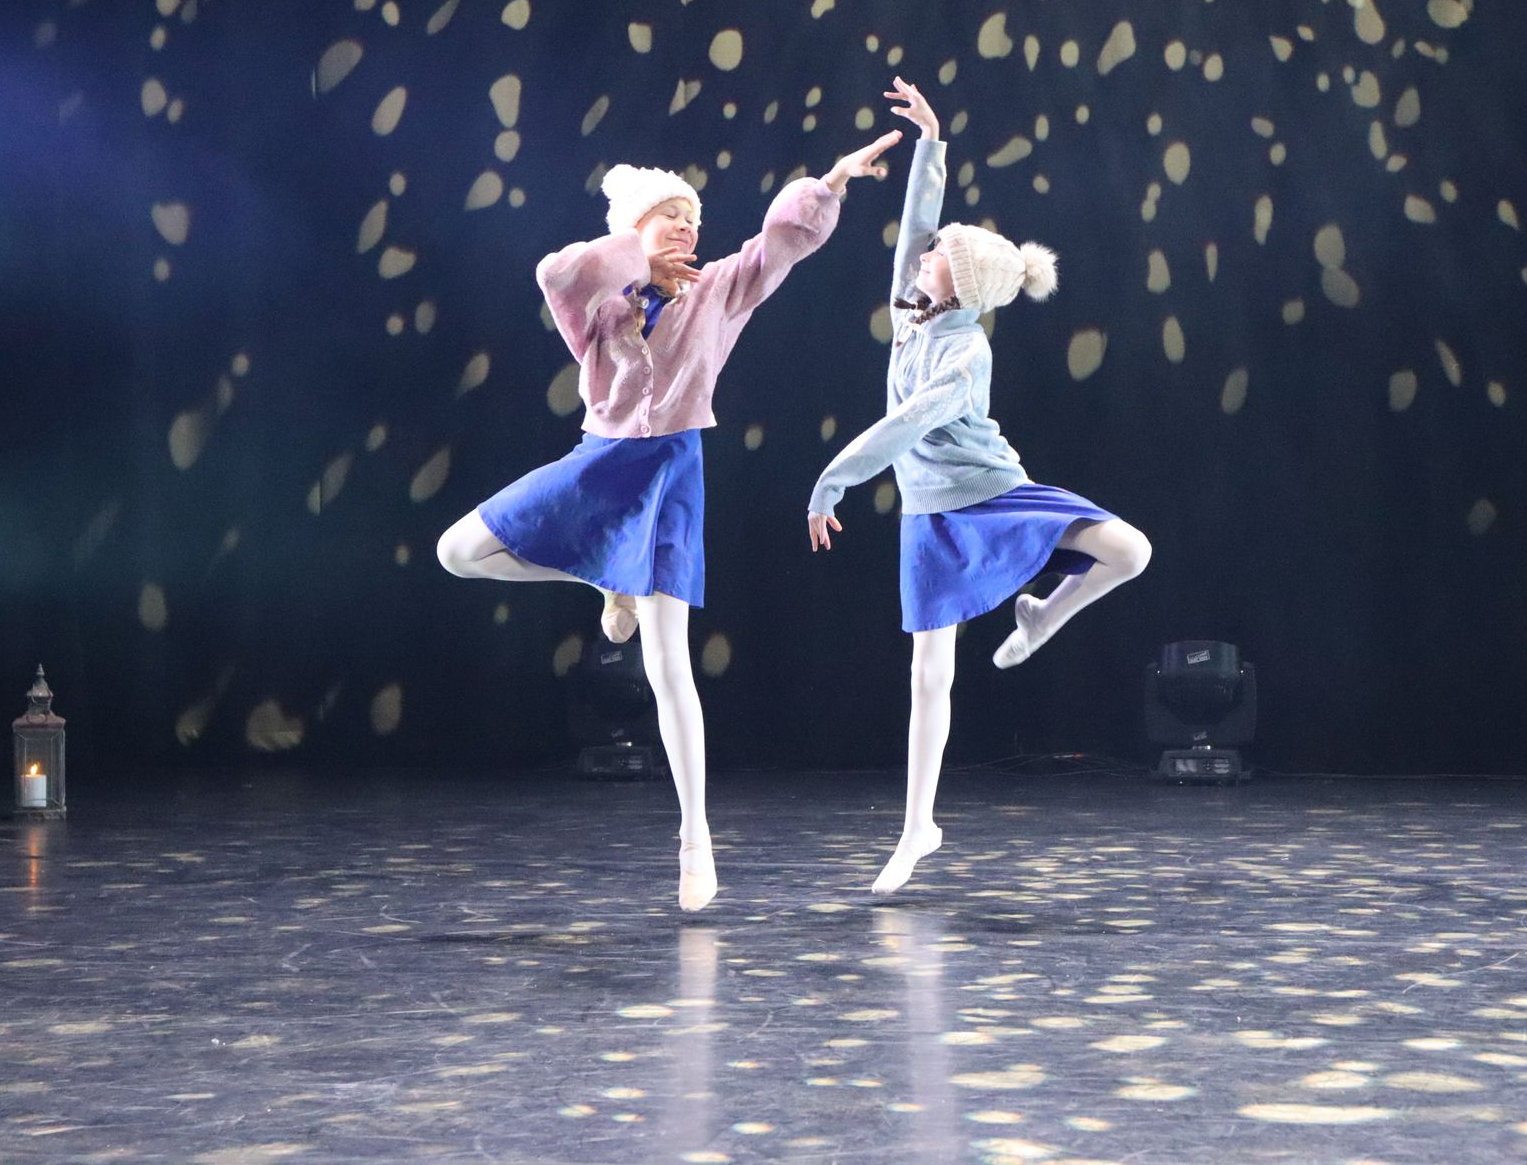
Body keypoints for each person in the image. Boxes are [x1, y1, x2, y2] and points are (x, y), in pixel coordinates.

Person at [440, 130, 903, 910]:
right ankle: (603, 578)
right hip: (598, 463)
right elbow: (556, 271)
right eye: (672, 216)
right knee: (459, 551)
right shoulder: (600, 303)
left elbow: (780, 245)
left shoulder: (718, 288)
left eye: (694, 218)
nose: (689, 227)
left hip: (671, 474)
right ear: (636, 226)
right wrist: (637, 260)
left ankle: (696, 841)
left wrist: (830, 181)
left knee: (668, 668)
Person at [807, 78, 1152, 896]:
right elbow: (917, 226)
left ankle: (1043, 615)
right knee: (930, 675)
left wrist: (832, 481)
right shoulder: (911, 310)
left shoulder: (966, 352)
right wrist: (933, 142)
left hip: (994, 496)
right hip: (931, 516)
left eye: (939, 254)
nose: (924, 252)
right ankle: (917, 827)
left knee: (1131, 550)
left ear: (957, 282)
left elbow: (906, 425)